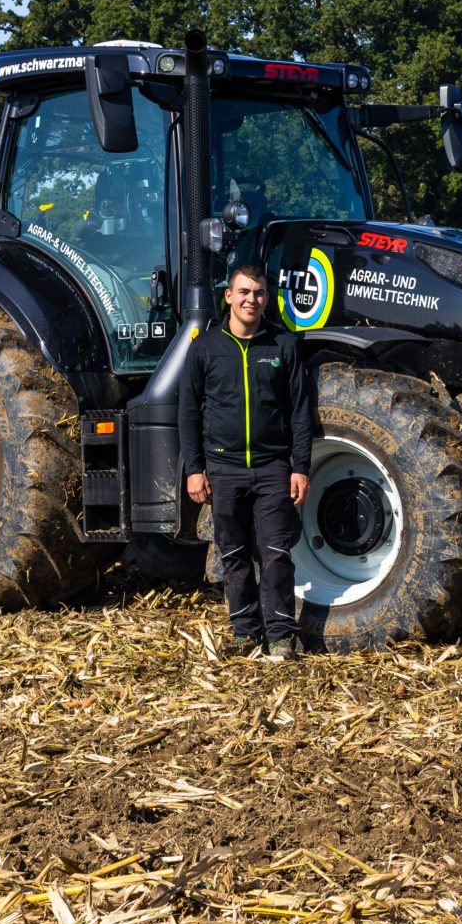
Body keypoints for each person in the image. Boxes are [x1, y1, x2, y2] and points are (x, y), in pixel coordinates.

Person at [179, 265, 314, 661]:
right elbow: (189, 413)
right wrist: (194, 468)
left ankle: (281, 636)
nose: (250, 299)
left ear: (266, 298)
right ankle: (244, 632)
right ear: (228, 297)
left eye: (258, 293)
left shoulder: (282, 346)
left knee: (276, 555)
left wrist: (300, 466)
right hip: (224, 469)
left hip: (273, 467)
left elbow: (300, 412)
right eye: (243, 292)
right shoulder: (205, 348)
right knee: (233, 554)